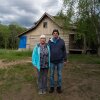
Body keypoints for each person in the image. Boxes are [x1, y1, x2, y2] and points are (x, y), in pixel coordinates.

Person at [48, 29, 67, 93]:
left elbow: (64, 51)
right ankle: (52, 87)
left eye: (56, 33)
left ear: (58, 34)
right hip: (52, 61)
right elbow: (47, 49)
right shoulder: (49, 41)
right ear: (52, 34)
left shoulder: (62, 41)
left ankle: (59, 87)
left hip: (60, 61)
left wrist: (65, 60)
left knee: (59, 74)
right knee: (51, 75)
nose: (55, 34)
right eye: (54, 33)